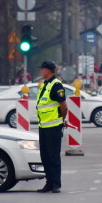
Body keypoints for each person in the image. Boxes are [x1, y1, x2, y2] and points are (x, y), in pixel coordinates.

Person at [36, 61, 68, 193]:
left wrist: (61, 120)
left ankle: (56, 184)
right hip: (43, 126)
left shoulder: (56, 85)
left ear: (47, 71)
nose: (40, 72)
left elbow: (64, 106)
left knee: (53, 156)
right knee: (45, 156)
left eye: (42, 69)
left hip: (53, 126)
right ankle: (49, 182)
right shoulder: (45, 85)